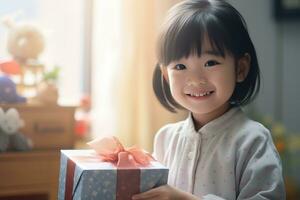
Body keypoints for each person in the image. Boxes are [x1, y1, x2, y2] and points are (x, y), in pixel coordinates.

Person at [132, 0, 285, 199]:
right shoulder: (165, 139)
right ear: (166, 75)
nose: (196, 79)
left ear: (240, 68)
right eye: (180, 67)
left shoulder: (252, 141)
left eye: (210, 62)